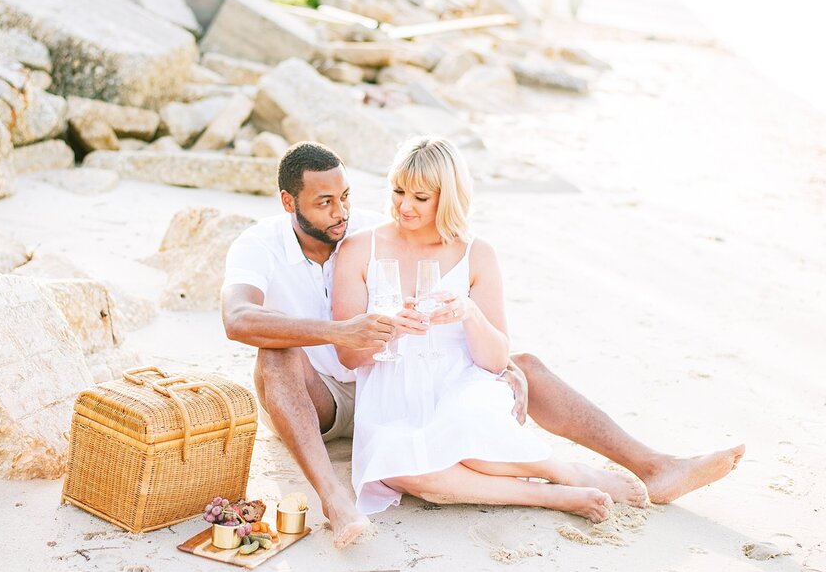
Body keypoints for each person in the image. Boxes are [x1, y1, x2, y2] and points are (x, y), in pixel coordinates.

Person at [221, 143, 743, 543]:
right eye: (325, 202)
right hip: (324, 397)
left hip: (410, 371)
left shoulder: (361, 230)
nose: (340, 211)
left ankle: (656, 467)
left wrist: (498, 360)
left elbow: (455, 298)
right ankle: (334, 498)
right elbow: (240, 319)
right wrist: (345, 333)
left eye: (347, 198)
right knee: (277, 353)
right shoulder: (263, 244)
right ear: (290, 202)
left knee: (523, 365)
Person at [334, 137, 649, 519]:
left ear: (446, 196)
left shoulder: (476, 253)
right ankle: (554, 491)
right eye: (399, 191)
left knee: (466, 430)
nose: (404, 205)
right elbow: (348, 355)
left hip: (458, 382)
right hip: (390, 394)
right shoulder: (358, 249)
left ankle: (562, 472)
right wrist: (393, 329)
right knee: (401, 467)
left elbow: (495, 359)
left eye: (420, 197)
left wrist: (470, 313)